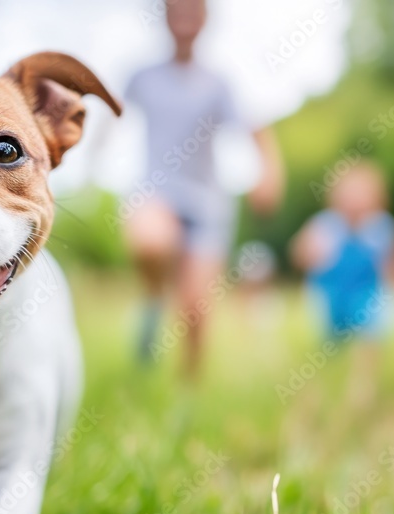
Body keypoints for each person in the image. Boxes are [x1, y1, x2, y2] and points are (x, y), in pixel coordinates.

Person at [123, 0, 285, 380]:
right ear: (162, 15)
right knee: (151, 241)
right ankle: (152, 298)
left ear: (205, 19)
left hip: (207, 205)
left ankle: (188, 388)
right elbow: (110, 114)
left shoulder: (218, 82)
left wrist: (270, 174)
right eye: (175, 8)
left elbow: (255, 130)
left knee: (196, 308)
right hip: (156, 192)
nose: (183, 17)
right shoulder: (143, 77)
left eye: (192, 9)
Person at [290, 162, 394, 406]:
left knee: (369, 335)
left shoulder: (382, 228)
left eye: (362, 195)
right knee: (331, 345)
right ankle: (328, 386)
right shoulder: (324, 227)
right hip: (331, 296)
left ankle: (362, 388)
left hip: (366, 293)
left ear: (378, 200)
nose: (355, 203)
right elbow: (297, 254)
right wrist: (308, 253)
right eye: (349, 195)